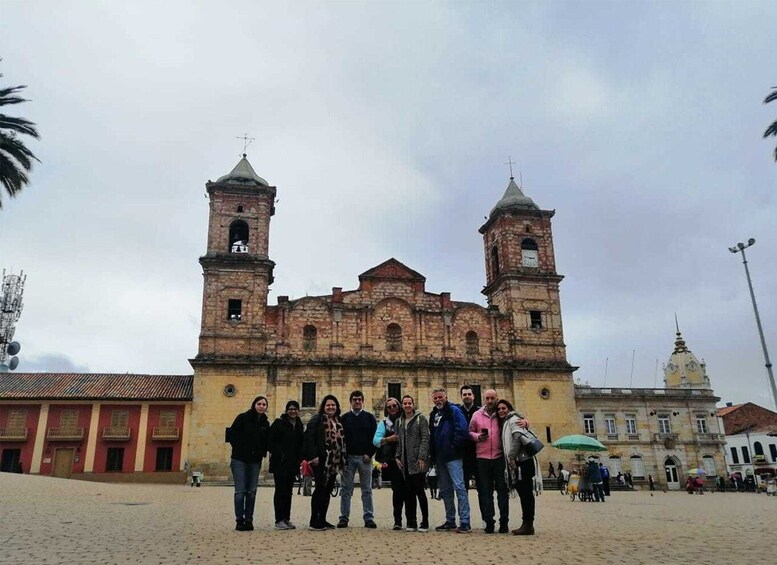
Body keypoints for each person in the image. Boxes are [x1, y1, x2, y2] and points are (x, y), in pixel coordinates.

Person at [429, 387, 471, 533]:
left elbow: (462, 430)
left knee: (459, 487)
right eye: (435, 398)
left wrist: (454, 446)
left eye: (440, 397)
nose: (438, 400)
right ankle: (450, 520)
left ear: (445, 397)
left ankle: (465, 521)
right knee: (446, 490)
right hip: (440, 458)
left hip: (453, 456)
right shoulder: (434, 414)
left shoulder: (454, 411)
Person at [468, 389, 510, 534]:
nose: (490, 401)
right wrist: (477, 436)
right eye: (487, 398)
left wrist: (525, 421)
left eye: (493, 398)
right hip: (482, 458)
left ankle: (504, 522)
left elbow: (515, 418)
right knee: (485, 492)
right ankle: (489, 522)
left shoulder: (502, 413)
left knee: (502, 491)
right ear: (484, 399)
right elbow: (470, 431)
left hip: (499, 458)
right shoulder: (476, 415)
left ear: (496, 398)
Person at [228, 395, 270, 531]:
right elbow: (232, 435)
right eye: (259, 404)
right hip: (239, 459)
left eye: (264, 404)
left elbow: (266, 441)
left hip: (255, 461)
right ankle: (239, 520)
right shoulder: (242, 417)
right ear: (254, 405)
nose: (262, 406)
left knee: (252, 491)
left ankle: (249, 520)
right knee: (240, 491)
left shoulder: (265, 422)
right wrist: (241, 449)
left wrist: (262, 453)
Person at [304, 394, 345, 530]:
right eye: (328, 405)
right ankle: (313, 521)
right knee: (320, 489)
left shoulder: (338, 420)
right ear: (323, 407)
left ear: (337, 407)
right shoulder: (317, 419)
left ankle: (322, 519)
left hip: (334, 460)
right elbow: (309, 438)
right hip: (321, 460)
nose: (331, 407)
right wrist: (313, 456)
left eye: (333, 405)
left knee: (327, 490)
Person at [338, 390, 378, 529]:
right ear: (351, 401)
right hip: (348, 458)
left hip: (365, 458)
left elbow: (375, 438)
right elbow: (340, 440)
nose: (357, 401)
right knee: (345, 489)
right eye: (354, 399)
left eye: (359, 399)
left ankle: (369, 518)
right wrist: (343, 457)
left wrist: (370, 453)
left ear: (363, 401)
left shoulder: (370, 418)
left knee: (367, 489)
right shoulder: (344, 418)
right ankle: (344, 518)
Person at [498, 399, 537, 535]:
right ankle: (527, 523)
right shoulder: (509, 420)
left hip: (522, 462)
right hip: (522, 462)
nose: (501, 411)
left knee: (526, 494)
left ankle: (528, 524)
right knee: (525, 494)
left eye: (504, 408)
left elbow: (517, 438)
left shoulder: (514, 419)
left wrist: (511, 457)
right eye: (499, 409)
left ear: (509, 408)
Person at [396, 394, 431, 532]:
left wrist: (422, 457)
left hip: (417, 461)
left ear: (413, 404)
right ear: (402, 405)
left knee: (420, 491)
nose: (407, 405)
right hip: (405, 461)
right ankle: (411, 521)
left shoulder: (420, 419)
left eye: (409, 403)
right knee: (408, 493)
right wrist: (397, 456)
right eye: (404, 403)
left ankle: (425, 521)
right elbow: (399, 440)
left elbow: (425, 438)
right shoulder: (400, 421)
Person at [268, 400, 304, 530]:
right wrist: (279, 454)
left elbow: (301, 444)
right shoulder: (279, 423)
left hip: (292, 464)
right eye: (290, 409)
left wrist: (300, 459)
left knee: (288, 491)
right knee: (280, 490)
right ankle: (279, 520)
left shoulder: (299, 425)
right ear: (286, 410)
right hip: (280, 463)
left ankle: (286, 518)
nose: (293, 411)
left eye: (295, 409)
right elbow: (269, 441)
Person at [373, 397, 405, 529]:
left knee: (410, 490)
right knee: (397, 490)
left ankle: (412, 519)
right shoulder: (384, 423)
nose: (392, 408)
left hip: (409, 459)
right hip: (393, 460)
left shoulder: (408, 419)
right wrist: (389, 439)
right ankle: (397, 521)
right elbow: (375, 440)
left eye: (395, 405)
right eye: (389, 407)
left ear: (399, 406)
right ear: (386, 410)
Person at [458, 385, 480, 489]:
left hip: (479, 454)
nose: (467, 396)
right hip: (462, 455)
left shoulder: (480, 412)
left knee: (483, 488)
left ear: (474, 396)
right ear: (461, 396)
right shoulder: (457, 412)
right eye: (464, 394)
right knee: (463, 489)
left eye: (469, 394)